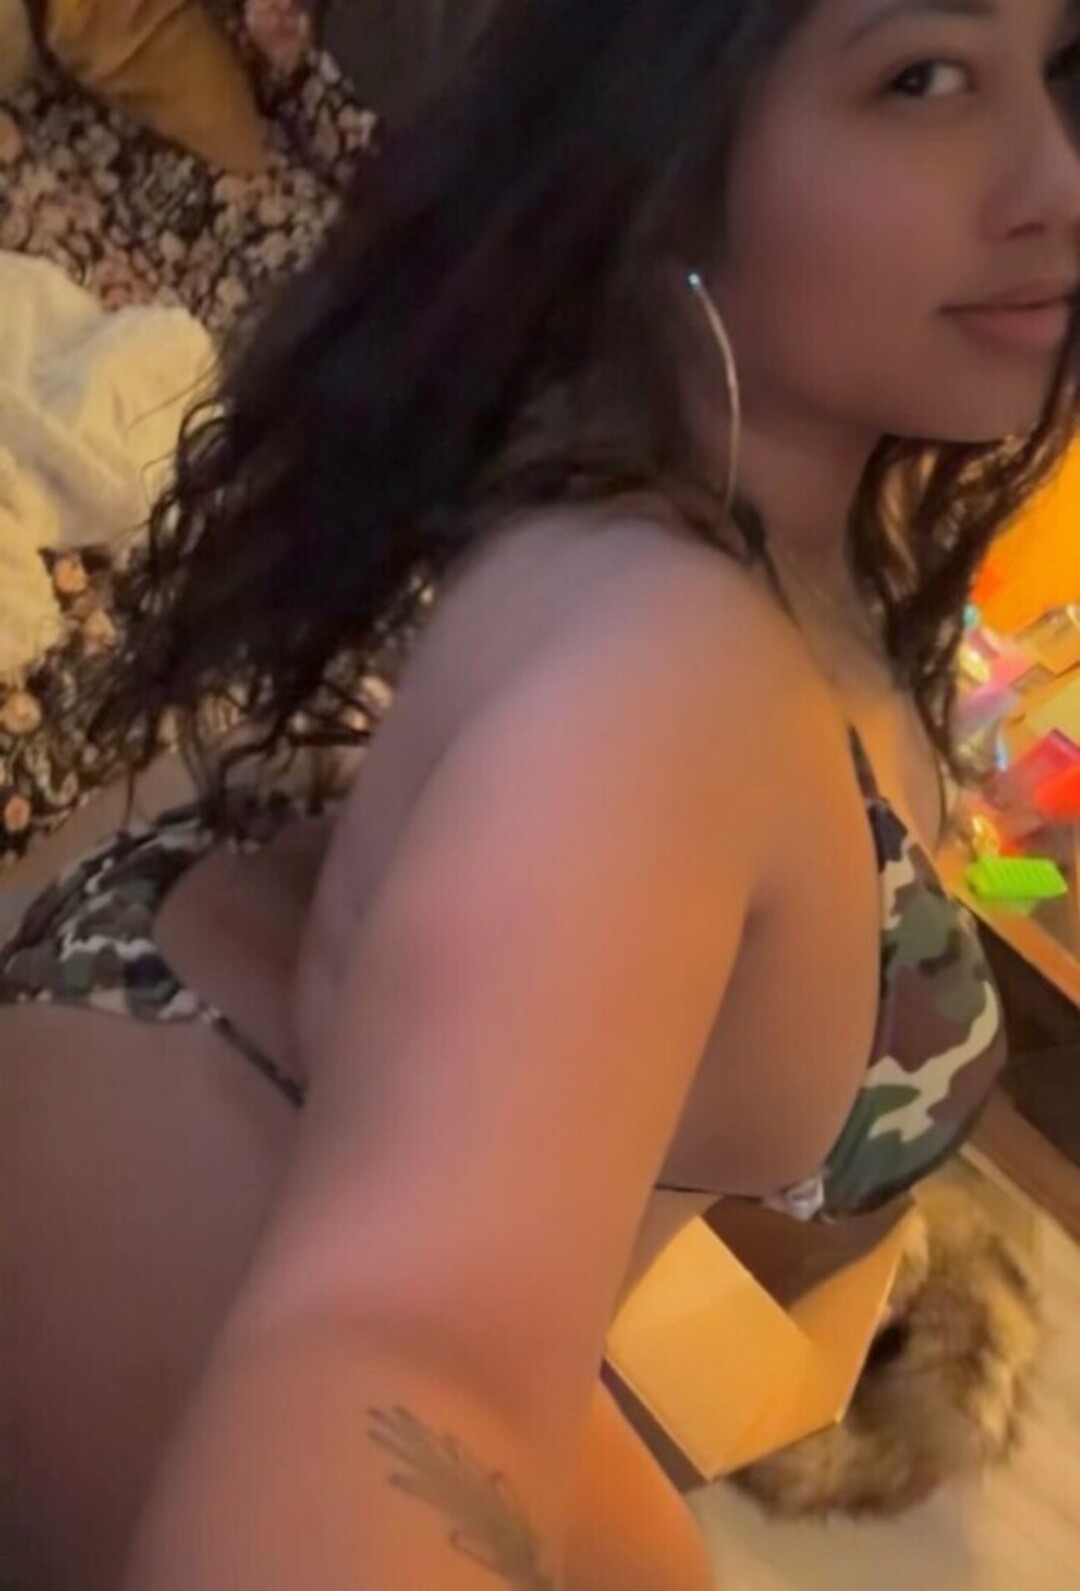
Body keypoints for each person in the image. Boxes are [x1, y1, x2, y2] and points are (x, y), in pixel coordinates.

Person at [3, 1, 1080, 1586]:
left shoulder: (738, 456)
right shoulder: (669, 680)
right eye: (919, 78)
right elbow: (404, 1353)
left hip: (215, 1028)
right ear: (677, 156)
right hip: (183, 1232)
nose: (1054, 173)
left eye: (1059, 70)